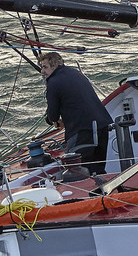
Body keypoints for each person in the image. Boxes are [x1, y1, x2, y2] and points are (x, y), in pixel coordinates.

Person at [38, 51, 111, 179]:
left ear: (54, 66)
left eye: (45, 67)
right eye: (41, 67)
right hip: (102, 126)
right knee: (98, 170)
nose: (42, 71)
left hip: (83, 131)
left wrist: (53, 121)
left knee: (79, 173)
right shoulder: (76, 73)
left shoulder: (53, 82)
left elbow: (53, 115)